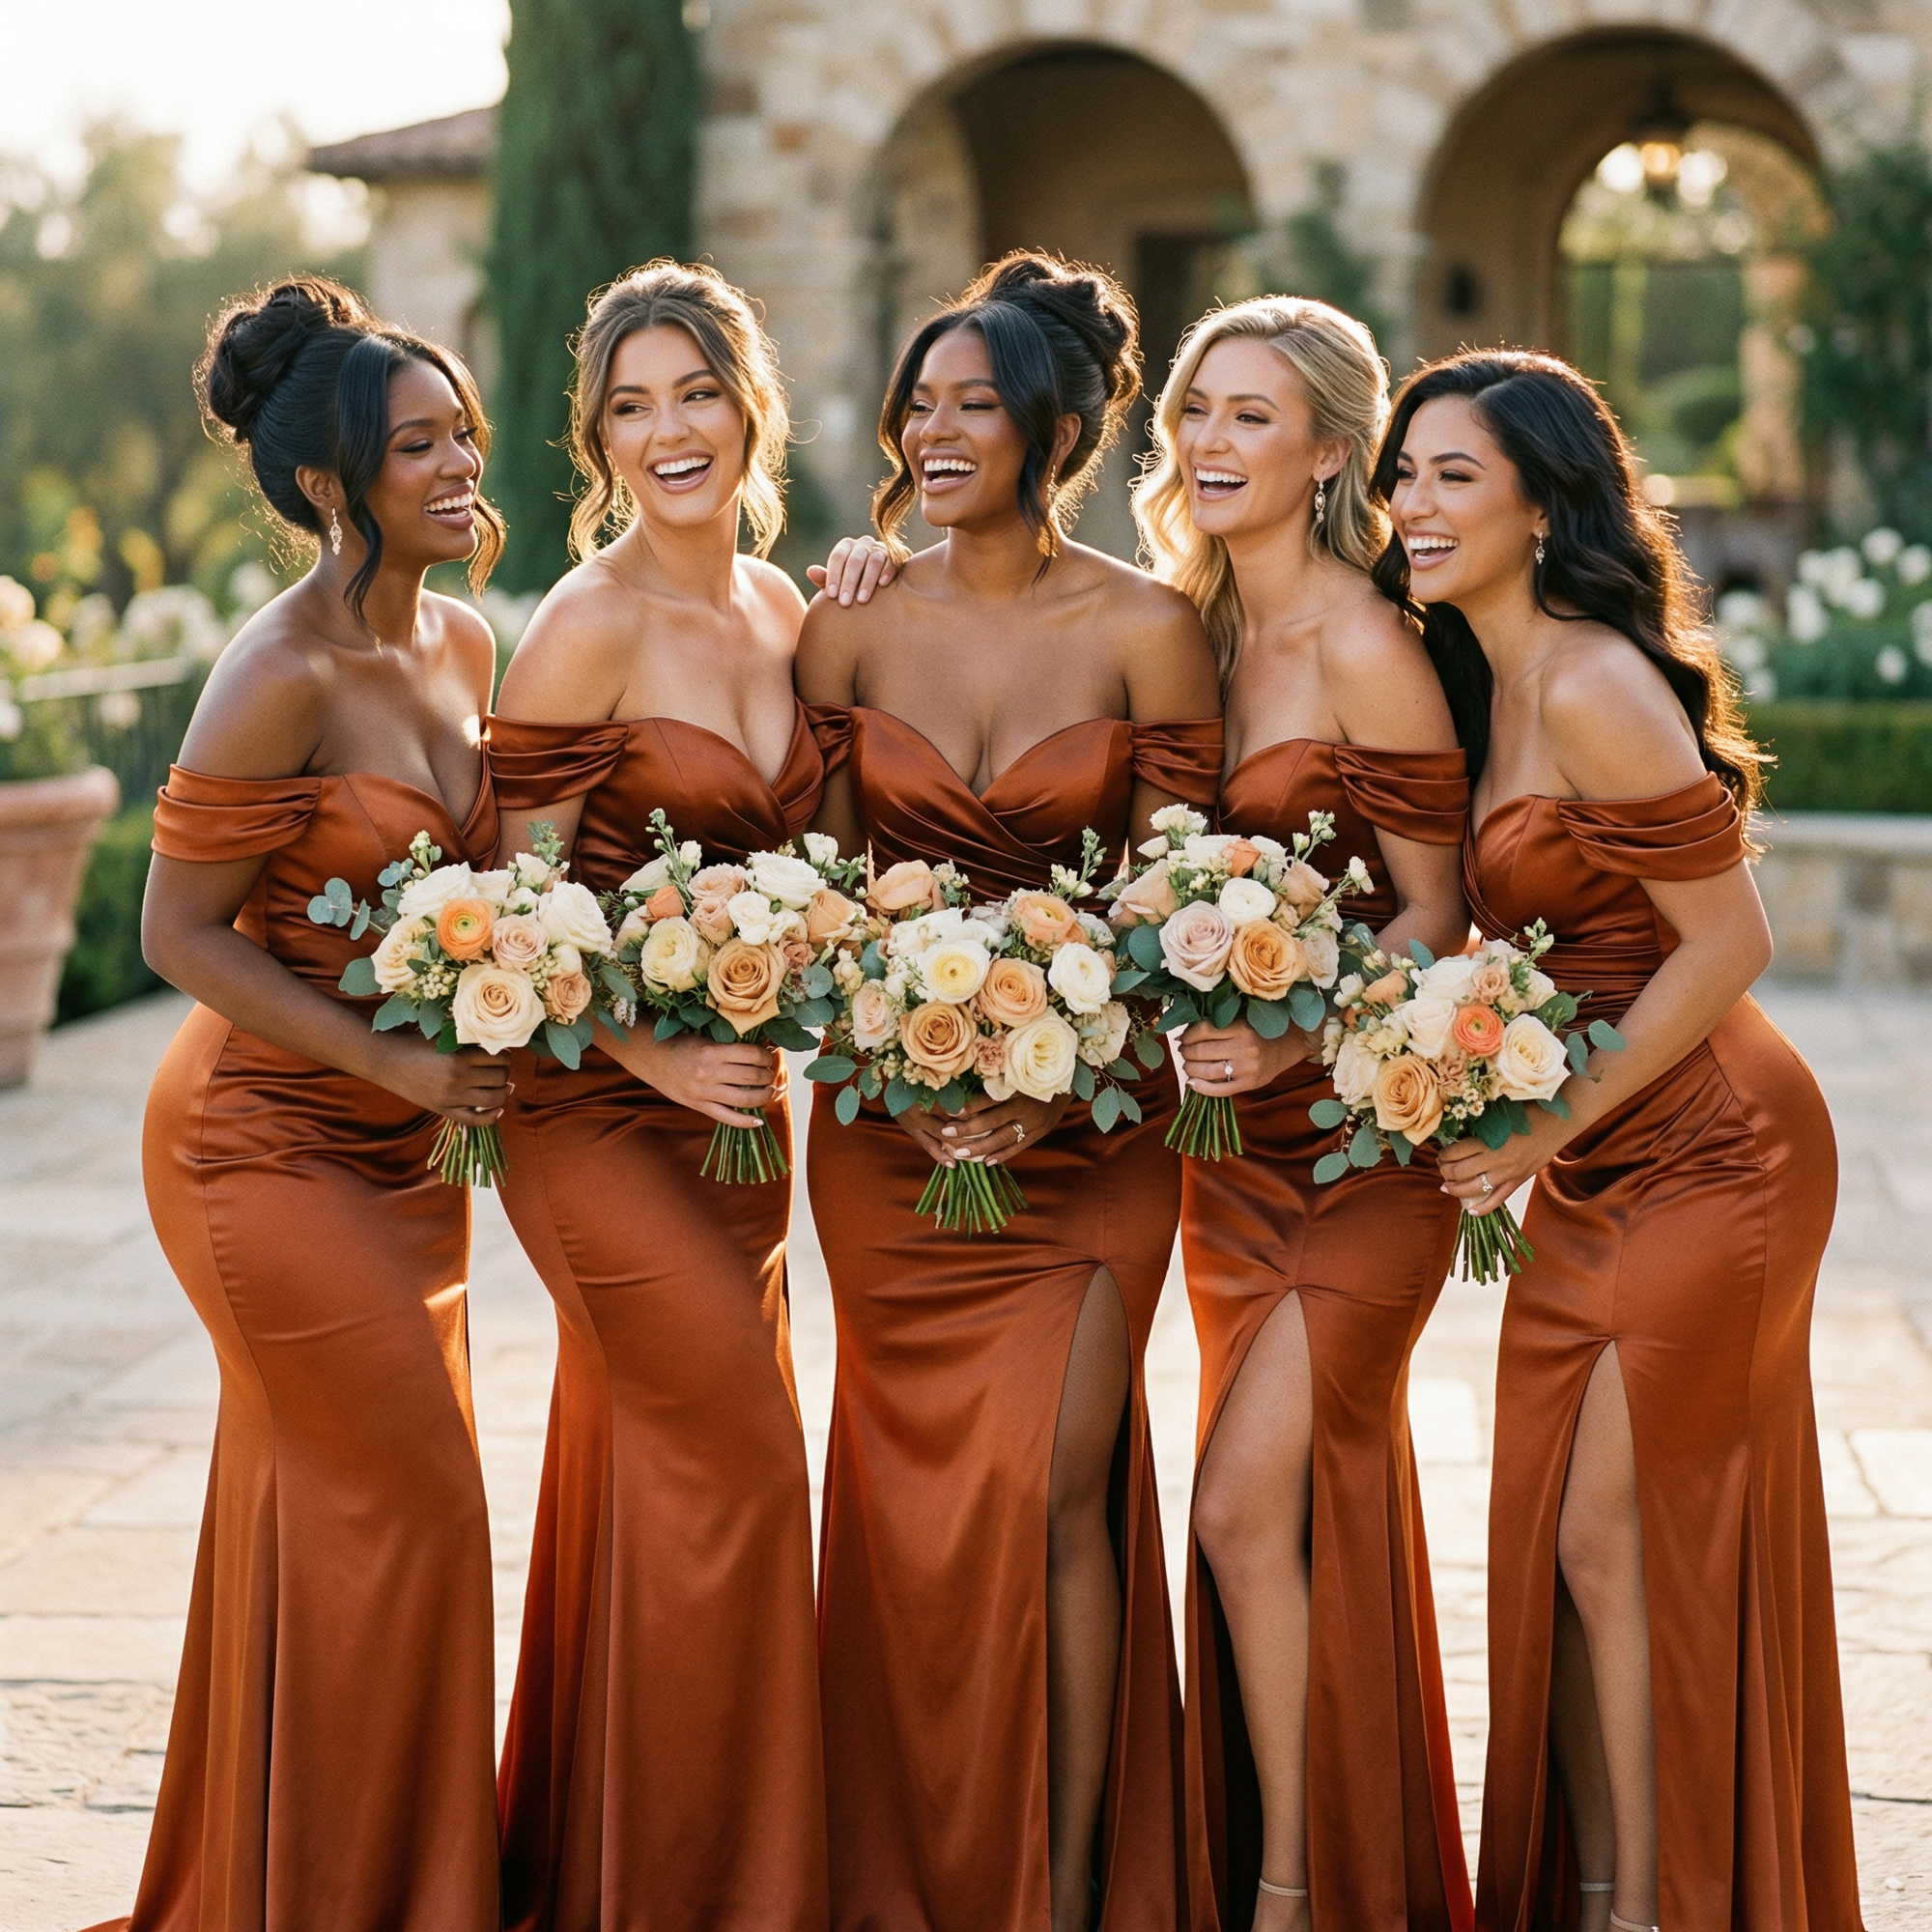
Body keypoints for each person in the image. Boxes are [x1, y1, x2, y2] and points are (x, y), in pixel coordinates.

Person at [1376, 350, 1861, 1932]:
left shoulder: (1589, 679)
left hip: (1720, 1144)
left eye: (1457, 473)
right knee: (1569, 1532)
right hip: (1596, 1149)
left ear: (1541, 498)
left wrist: (1544, 1123)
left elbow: (1730, 942)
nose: (1418, 504)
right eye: (1406, 473)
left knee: (1613, 1529)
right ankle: (1600, 1888)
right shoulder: (1478, 675)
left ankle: (1659, 1907)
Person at [797, 251, 1222, 1932]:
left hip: (1094, 1127)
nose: (937, 427)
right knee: (910, 1513)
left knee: (1061, 1495)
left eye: (977, 402)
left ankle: (1057, 1899)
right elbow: (816, 898)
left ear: (1055, 429)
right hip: (888, 1147)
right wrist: (899, 1063)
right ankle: (903, 1879)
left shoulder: (1147, 628)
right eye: (922, 402)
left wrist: (1053, 1093)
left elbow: (1188, 900)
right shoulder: (848, 615)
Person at [95, 276, 507, 1930]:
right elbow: (172, 932)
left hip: (409, 1153)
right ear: (335, 485)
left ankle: (286, 1887)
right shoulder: (277, 670)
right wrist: (408, 1063)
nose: (463, 461)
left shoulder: (468, 634)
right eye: (421, 445)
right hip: (259, 1143)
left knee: (317, 1506)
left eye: (464, 426)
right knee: (413, 1499)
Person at [486, 261, 828, 1932]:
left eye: (694, 392)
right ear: (600, 442)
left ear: (750, 401)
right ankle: (730, 1893)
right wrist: (651, 1052)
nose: (666, 430)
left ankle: (622, 1868)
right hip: (602, 1117)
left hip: (750, 1124)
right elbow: (510, 914)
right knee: (747, 1469)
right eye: (630, 407)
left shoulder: (790, 612)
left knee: (658, 1474)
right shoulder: (583, 622)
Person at [1132, 297, 1474, 1932]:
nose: (1208, 441)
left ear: (1332, 450)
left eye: (1252, 418)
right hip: (1226, 1167)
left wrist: (1291, 1038)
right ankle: (1336, 1862)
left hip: (1358, 1150)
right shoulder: (1188, 629)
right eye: (1199, 409)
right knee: (1285, 1514)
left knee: (1237, 1504)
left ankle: (1293, 1888)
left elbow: (1440, 913)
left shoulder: (1363, 639)